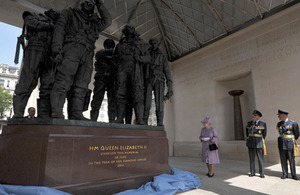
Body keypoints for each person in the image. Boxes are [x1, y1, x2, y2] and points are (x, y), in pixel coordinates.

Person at [50, 0, 112, 120]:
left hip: (87, 53)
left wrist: (99, 3)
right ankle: (56, 112)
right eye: (86, 2)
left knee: (81, 85)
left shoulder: (95, 22)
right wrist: (56, 48)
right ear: (81, 4)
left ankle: (76, 113)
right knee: (63, 81)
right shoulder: (69, 13)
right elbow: (59, 29)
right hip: (71, 49)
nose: (89, 4)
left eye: (91, 3)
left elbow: (107, 21)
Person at [12, 9, 59, 118]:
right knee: (27, 81)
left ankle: (43, 115)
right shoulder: (33, 15)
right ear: (47, 12)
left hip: (49, 54)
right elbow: (31, 23)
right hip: (35, 49)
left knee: (47, 85)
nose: (55, 13)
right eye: (53, 11)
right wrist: (51, 26)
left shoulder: (58, 26)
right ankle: (18, 114)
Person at [114, 24, 150, 125]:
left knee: (138, 94)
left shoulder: (141, 43)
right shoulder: (120, 45)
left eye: (131, 28)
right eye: (126, 29)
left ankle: (139, 119)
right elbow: (115, 58)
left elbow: (148, 58)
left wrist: (140, 58)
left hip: (136, 71)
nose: (128, 30)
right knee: (121, 94)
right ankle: (120, 118)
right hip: (122, 71)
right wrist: (118, 65)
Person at [143, 38, 173, 126]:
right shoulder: (146, 55)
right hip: (148, 79)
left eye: (155, 43)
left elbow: (167, 72)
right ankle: (144, 121)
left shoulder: (162, 56)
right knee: (146, 102)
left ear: (157, 44)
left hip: (159, 80)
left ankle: (160, 122)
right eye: (151, 43)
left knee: (159, 102)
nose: (153, 45)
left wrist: (170, 86)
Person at [90, 39, 117, 122]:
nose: (109, 46)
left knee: (112, 100)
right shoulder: (101, 52)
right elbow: (98, 55)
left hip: (112, 79)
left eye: (110, 44)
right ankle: (93, 119)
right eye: (107, 44)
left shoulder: (115, 55)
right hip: (101, 77)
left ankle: (112, 119)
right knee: (97, 98)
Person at [276, 109, 299, 180]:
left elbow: (297, 134)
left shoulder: (293, 123)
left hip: (289, 144)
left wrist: (291, 140)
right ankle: (285, 174)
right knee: (283, 160)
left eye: (279, 115)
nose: (278, 117)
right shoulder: (279, 124)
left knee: (291, 160)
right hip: (281, 144)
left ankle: (293, 175)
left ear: (283, 116)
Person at [245, 110, 267, 178]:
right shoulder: (249, 123)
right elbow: (247, 133)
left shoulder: (262, 124)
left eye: (255, 115)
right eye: (253, 115)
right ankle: (252, 172)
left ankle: (261, 173)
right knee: (251, 158)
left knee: (260, 158)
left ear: (258, 117)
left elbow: (264, 134)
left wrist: (260, 140)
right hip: (251, 141)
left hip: (259, 142)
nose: (253, 116)